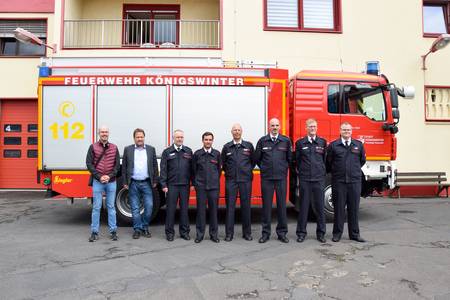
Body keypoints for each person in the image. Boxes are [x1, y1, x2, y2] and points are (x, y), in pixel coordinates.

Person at [326, 122, 366, 243]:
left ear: (351, 131)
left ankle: (354, 234)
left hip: (354, 182)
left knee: (353, 209)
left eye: (348, 130)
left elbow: (362, 161)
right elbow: (329, 163)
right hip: (339, 182)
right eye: (344, 130)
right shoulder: (333, 145)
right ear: (340, 131)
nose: (346, 132)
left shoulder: (358, 145)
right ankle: (337, 234)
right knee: (338, 209)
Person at [254, 118, 292, 243]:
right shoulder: (262, 141)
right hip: (267, 178)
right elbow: (257, 159)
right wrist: (265, 168)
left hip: (281, 178)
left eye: (276, 125)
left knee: (282, 206)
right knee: (266, 207)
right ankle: (265, 233)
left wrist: (282, 168)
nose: (274, 127)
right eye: (272, 125)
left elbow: (289, 159)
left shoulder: (285, 141)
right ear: (269, 127)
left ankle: (282, 233)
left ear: (279, 126)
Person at [122, 128, 158, 239]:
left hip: (147, 182)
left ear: (144, 137)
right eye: (137, 137)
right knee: (135, 208)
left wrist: (155, 180)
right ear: (134, 138)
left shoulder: (151, 149)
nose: (140, 139)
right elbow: (124, 167)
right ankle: (137, 229)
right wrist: (124, 181)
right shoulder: (128, 149)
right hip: (133, 183)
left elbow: (154, 166)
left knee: (149, 206)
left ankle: (145, 226)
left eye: (141, 137)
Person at [86, 125, 120, 242]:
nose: (104, 134)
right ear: (98, 134)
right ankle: (94, 232)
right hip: (98, 182)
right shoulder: (93, 147)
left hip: (111, 182)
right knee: (96, 207)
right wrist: (99, 177)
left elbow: (117, 166)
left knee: (111, 207)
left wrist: (109, 176)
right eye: (102, 132)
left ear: (108, 133)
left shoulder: (114, 147)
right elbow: (89, 164)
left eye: (106, 132)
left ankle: (113, 231)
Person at [295, 118, 327, 243]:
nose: (312, 128)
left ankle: (321, 233)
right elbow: (297, 161)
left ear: (317, 128)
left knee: (320, 207)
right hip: (305, 180)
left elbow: (326, 160)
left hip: (318, 180)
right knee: (303, 207)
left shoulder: (322, 143)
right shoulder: (300, 143)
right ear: (306, 128)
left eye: (314, 126)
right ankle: (301, 233)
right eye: (310, 126)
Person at [221, 123, 255, 241]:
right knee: (230, 208)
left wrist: (245, 171)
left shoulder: (248, 146)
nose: (236, 132)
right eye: (234, 130)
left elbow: (253, 161)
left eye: (238, 130)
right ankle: (229, 234)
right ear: (231, 132)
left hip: (245, 180)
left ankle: (247, 233)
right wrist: (230, 173)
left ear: (242, 132)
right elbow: (223, 164)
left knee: (246, 207)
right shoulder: (227, 147)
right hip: (231, 181)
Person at [160, 129, 193, 241]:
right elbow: (163, 169)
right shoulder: (167, 152)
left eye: (181, 137)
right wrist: (164, 184)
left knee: (184, 210)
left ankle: (184, 232)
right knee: (170, 210)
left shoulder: (188, 151)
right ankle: (169, 233)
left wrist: (192, 183)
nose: (180, 139)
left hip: (185, 185)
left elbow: (192, 169)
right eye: (177, 137)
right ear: (173, 138)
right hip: (172, 185)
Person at [192, 132, 221, 243]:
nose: (208, 141)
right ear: (202, 140)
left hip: (213, 187)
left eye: (210, 139)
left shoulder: (217, 154)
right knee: (200, 211)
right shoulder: (197, 154)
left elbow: (218, 170)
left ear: (212, 141)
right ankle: (200, 234)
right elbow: (194, 170)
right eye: (206, 139)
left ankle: (214, 235)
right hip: (201, 187)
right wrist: (197, 183)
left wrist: (213, 181)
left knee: (214, 212)